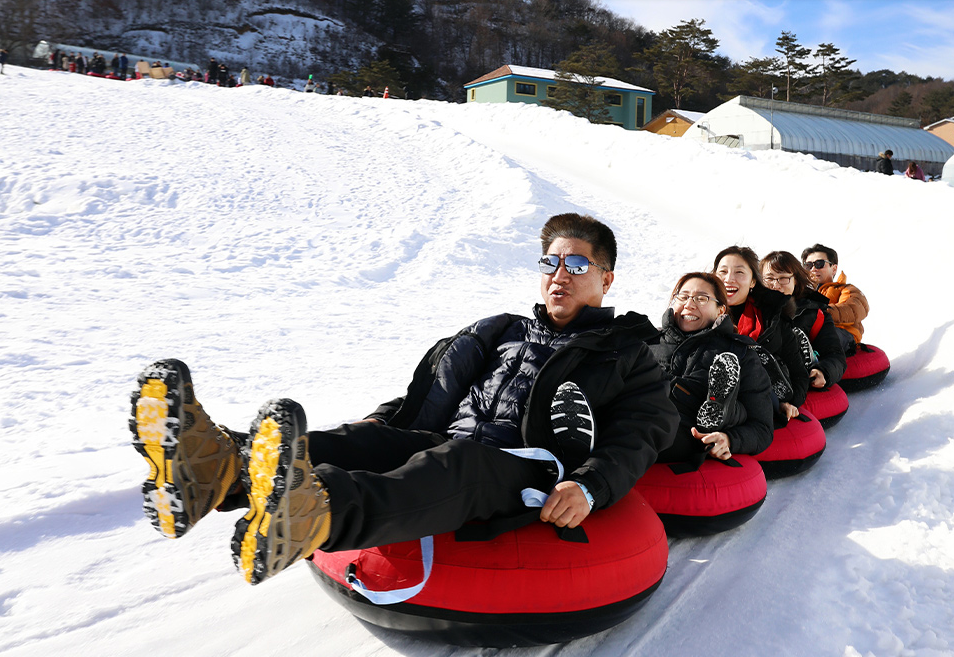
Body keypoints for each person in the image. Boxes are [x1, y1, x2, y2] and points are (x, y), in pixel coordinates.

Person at [130, 213, 679, 586]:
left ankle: (315, 514)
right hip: (449, 440)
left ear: (606, 279)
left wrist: (591, 484)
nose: (560, 275)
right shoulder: (501, 330)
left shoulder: (628, 352)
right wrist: (384, 420)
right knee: (365, 440)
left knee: (457, 462)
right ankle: (219, 470)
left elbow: (643, 433)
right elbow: (433, 392)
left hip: (531, 469)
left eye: (577, 265)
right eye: (550, 263)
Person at [647, 273, 773, 467]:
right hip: (640, 415)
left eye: (701, 298)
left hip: (687, 434)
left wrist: (729, 439)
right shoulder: (648, 343)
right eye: (683, 296)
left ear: (720, 310)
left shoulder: (738, 353)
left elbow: (762, 427)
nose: (689, 304)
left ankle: (720, 412)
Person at [713, 246, 809, 424]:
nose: (729, 279)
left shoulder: (772, 318)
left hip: (762, 391)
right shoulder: (699, 314)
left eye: (739, 272)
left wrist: (789, 403)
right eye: (723, 272)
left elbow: (798, 372)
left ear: (752, 282)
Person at [760, 251, 846, 390]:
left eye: (783, 278)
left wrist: (823, 371)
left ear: (796, 280)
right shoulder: (751, 310)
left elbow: (835, 354)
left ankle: (808, 359)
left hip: (798, 371)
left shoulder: (813, 313)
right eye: (769, 278)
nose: (775, 285)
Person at [800, 244, 869, 353]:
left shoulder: (845, 289)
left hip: (841, 333)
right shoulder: (800, 292)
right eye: (808, 265)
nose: (813, 269)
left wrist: (820, 311)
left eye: (819, 264)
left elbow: (853, 308)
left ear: (834, 269)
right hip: (811, 332)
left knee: (826, 334)